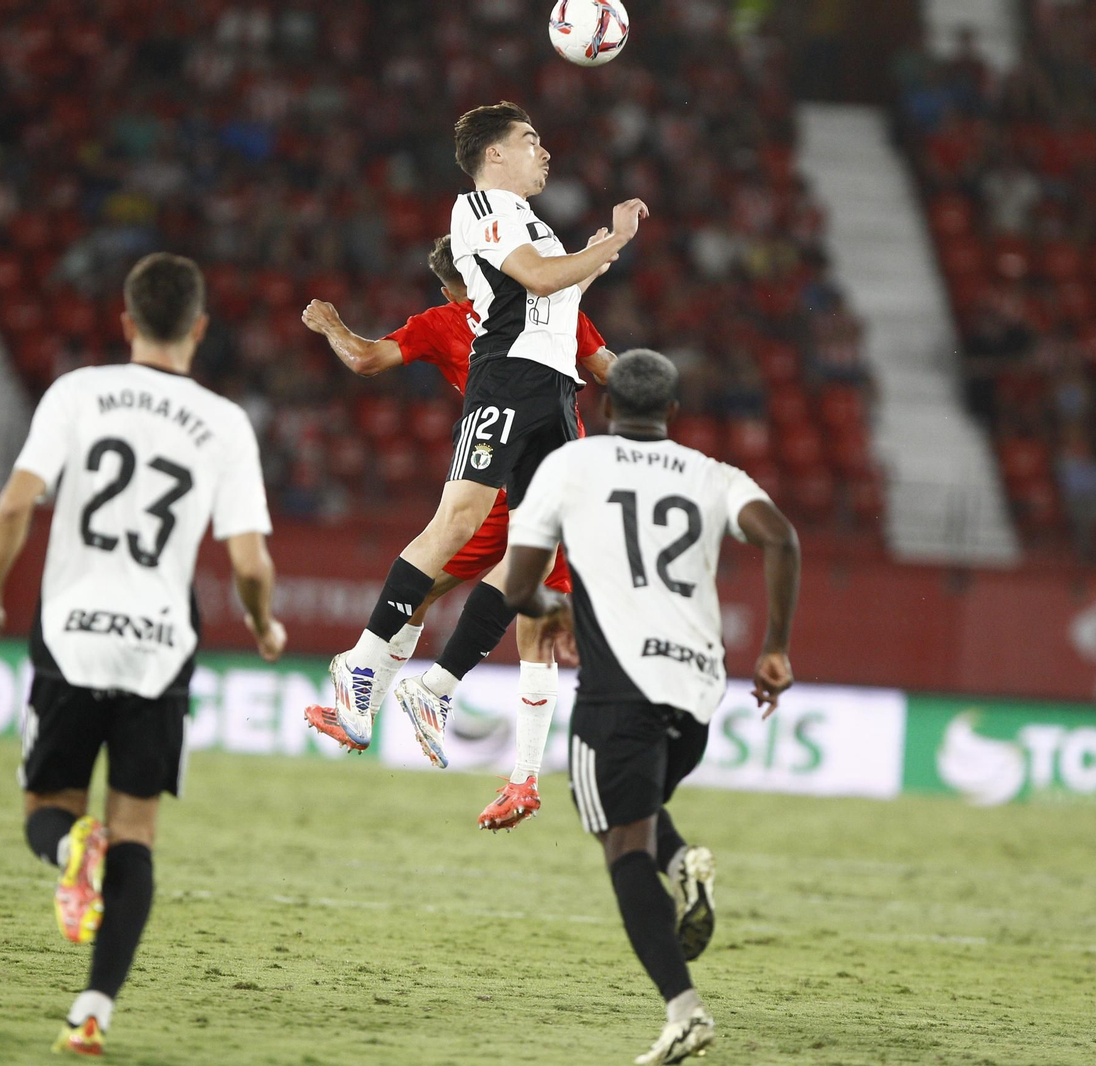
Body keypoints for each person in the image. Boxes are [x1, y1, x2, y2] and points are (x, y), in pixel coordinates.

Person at [0, 253, 287, 1057]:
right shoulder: (223, 422)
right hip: (159, 646)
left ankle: (73, 849)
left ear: (126, 320)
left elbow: (14, 505)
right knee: (136, 831)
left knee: (47, 812)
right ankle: (93, 1008)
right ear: (200, 329)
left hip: (71, 637)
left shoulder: (78, 392)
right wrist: (264, 624)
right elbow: (248, 563)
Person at [321, 100, 649, 780]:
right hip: (509, 380)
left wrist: (595, 255)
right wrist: (611, 240)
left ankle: (433, 691)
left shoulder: (535, 225)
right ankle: (362, 659)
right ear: (493, 154)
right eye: (530, 139)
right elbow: (536, 279)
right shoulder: (477, 207)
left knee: (530, 559)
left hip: (556, 392)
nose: (544, 151)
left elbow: (562, 288)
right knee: (460, 518)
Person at [502, 349, 800, 1066]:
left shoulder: (571, 466)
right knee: (616, 809)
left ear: (605, 409)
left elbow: (518, 590)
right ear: (672, 413)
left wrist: (558, 610)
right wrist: (776, 649)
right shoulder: (712, 474)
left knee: (617, 840)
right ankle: (683, 860)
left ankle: (684, 1011)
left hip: (620, 688)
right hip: (697, 692)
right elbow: (781, 537)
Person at [300, 233, 615, 829]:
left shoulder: (445, 319)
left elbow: (365, 359)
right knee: (535, 616)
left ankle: (377, 697)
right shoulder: (550, 309)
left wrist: (333, 327)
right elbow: (607, 368)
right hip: (534, 469)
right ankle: (493, 748)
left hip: (499, 472)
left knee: (437, 587)